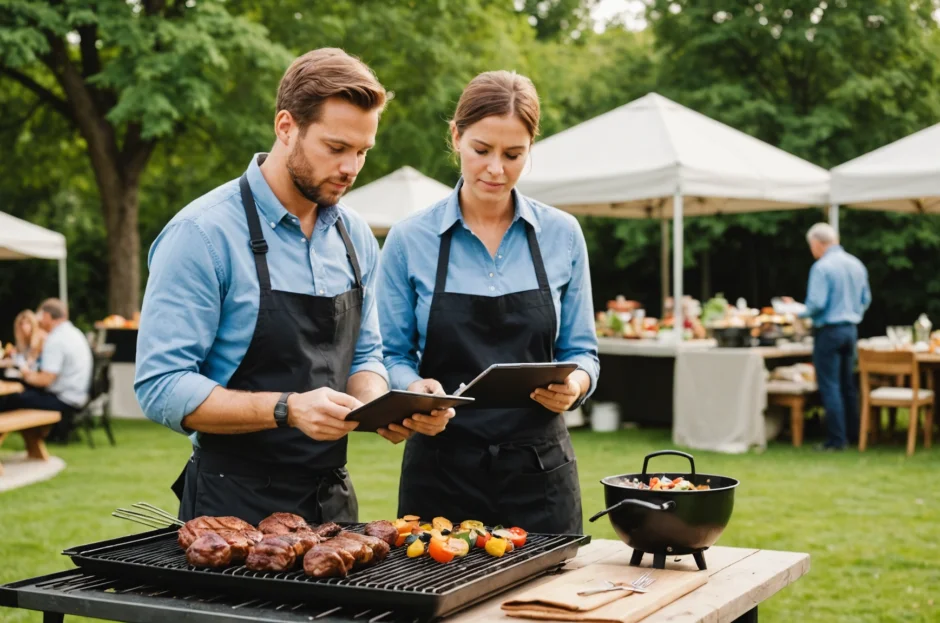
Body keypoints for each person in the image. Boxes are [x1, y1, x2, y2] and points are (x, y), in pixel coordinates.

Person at [134, 48, 451, 525]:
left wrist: (381, 406)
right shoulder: (201, 234)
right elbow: (161, 386)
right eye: (336, 148)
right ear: (286, 127)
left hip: (332, 503)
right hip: (230, 508)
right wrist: (288, 409)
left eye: (363, 151)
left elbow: (366, 355)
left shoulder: (354, 236)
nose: (351, 168)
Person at [377, 70, 600, 533]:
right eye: (481, 150)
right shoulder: (409, 239)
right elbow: (391, 354)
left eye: (513, 155)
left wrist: (576, 384)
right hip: (440, 472)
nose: (496, 169)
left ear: (530, 150)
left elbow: (583, 351)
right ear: (456, 137)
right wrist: (412, 388)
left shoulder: (562, 234)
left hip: (539, 475)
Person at [800, 223, 871, 451]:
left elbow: (816, 304)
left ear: (818, 244)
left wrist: (796, 312)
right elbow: (866, 299)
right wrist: (853, 314)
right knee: (847, 384)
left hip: (829, 331)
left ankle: (836, 440)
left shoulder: (822, 267)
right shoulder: (856, 264)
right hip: (850, 330)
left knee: (830, 385)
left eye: (811, 246)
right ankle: (853, 433)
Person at [0, 299, 93, 441]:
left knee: (9, 399)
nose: (37, 321)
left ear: (46, 316)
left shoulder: (56, 340)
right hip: (78, 397)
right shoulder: (74, 333)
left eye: (39, 316)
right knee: (18, 396)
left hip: (63, 399)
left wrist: (24, 374)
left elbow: (45, 380)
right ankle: (33, 445)